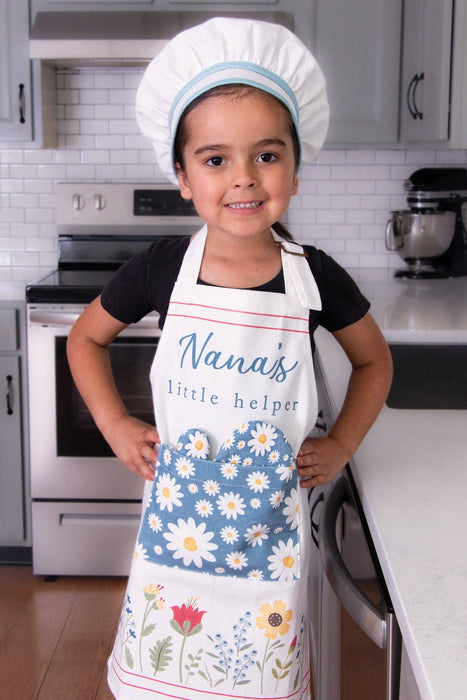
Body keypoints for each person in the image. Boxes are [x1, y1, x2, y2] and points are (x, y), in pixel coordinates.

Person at [67, 17, 392, 699]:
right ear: (182, 176)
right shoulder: (159, 269)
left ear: (294, 171)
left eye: (266, 156)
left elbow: (373, 364)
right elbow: (86, 339)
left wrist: (340, 446)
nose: (242, 178)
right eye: (215, 160)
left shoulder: (314, 277)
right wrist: (116, 426)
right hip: (176, 530)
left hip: (268, 532)